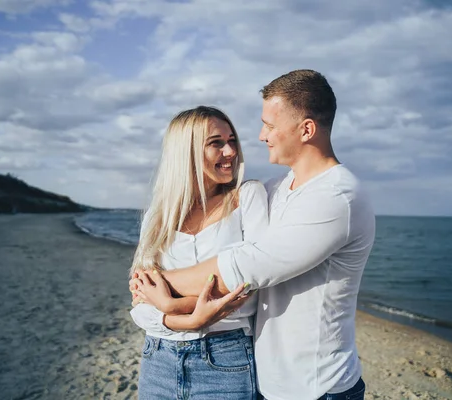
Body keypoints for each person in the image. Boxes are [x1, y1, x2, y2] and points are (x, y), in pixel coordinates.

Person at [132, 70, 375, 400]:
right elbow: (140, 300)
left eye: (270, 125)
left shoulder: (336, 196)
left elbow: (246, 272)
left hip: (317, 387)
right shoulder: (278, 190)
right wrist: (169, 310)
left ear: (306, 129)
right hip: (269, 381)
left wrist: (165, 298)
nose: (260, 136)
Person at [129, 106, 268, 400]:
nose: (230, 151)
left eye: (232, 140)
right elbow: (140, 303)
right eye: (216, 143)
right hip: (158, 358)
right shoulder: (159, 216)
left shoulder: (248, 196)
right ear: (187, 151)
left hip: (225, 360)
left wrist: (170, 303)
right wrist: (186, 320)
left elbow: (247, 287)